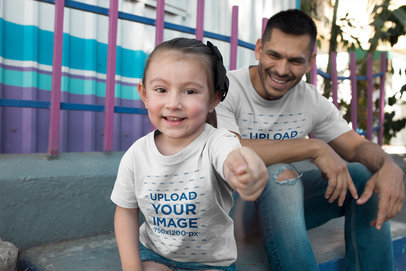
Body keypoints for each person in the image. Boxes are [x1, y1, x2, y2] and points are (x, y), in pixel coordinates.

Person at [216, 9, 405, 271]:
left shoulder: (310, 100)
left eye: (295, 60)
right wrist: (313, 147)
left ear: (310, 62)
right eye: (274, 55)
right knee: (280, 173)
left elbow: (357, 146)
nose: (281, 70)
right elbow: (229, 148)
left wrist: (389, 166)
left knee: (363, 177)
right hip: (228, 212)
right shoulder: (226, 90)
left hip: (281, 215)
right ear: (259, 49)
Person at [110, 37, 268, 271]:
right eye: (161, 89)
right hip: (155, 254)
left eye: (190, 91)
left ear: (214, 98)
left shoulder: (217, 141)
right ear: (144, 94)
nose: (173, 103)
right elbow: (125, 212)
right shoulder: (136, 154)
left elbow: (231, 157)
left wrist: (244, 166)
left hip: (211, 262)